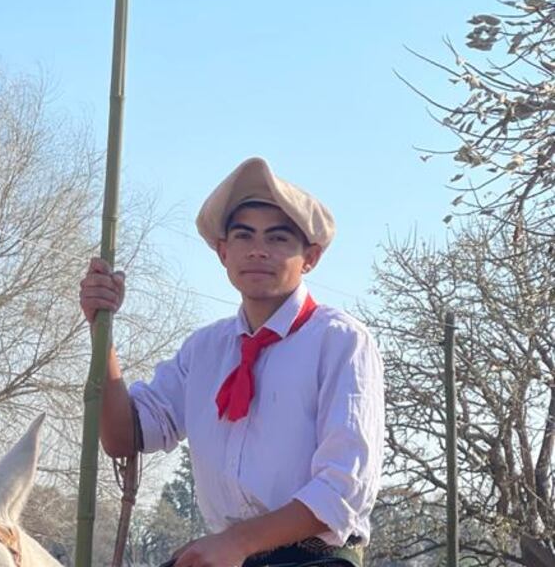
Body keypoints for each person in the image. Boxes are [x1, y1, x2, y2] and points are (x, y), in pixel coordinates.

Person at [79, 157, 385, 567]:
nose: (258, 250)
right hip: (227, 553)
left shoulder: (341, 341)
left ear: (309, 257)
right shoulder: (205, 349)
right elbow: (124, 437)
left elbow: (342, 489)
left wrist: (239, 543)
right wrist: (102, 328)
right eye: (244, 236)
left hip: (315, 558)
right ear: (224, 252)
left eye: (278, 239)